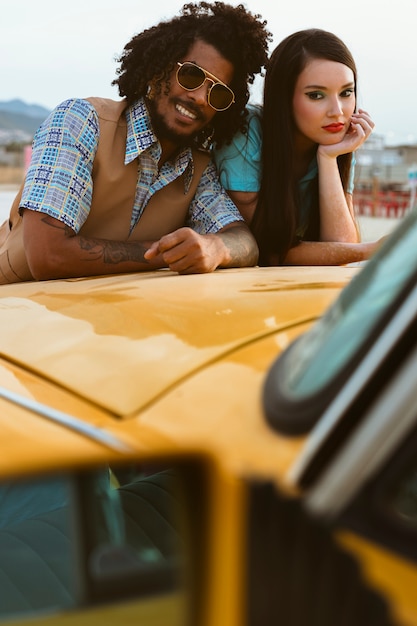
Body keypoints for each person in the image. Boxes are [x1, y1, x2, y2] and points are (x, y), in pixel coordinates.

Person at [0, 2, 271, 284]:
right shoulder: (81, 122)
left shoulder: (199, 169)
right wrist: (168, 254)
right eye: (192, 76)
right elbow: (48, 256)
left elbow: (244, 241)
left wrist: (216, 248)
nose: (201, 98)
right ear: (158, 70)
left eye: (217, 94)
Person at [214, 28, 382, 266]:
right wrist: (369, 251)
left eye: (346, 92)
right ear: (284, 98)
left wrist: (328, 158)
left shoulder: (336, 143)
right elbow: (265, 250)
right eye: (316, 95)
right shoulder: (245, 133)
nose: (338, 111)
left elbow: (341, 244)